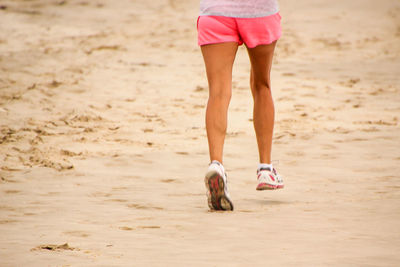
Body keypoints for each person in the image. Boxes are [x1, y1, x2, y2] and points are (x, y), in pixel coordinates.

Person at [198, 0, 284, 211]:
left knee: (218, 93)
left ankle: (216, 165)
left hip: (216, 11)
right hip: (259, 12)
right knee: (262, 85)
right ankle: (265, 168)